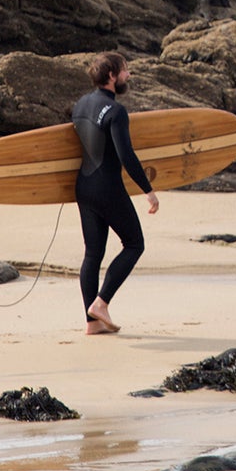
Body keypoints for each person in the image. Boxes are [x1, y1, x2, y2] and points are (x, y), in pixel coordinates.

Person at [72, 52, 158, 334]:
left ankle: (92, 324)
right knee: (134, 244)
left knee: (92, 254)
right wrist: (148, 191)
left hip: (83, 187)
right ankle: (101, 303)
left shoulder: (80, 105)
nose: (128, 75)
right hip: (108, 188)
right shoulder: (117, 112)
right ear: (111, 75)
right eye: (125, 71)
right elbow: (127, 156)